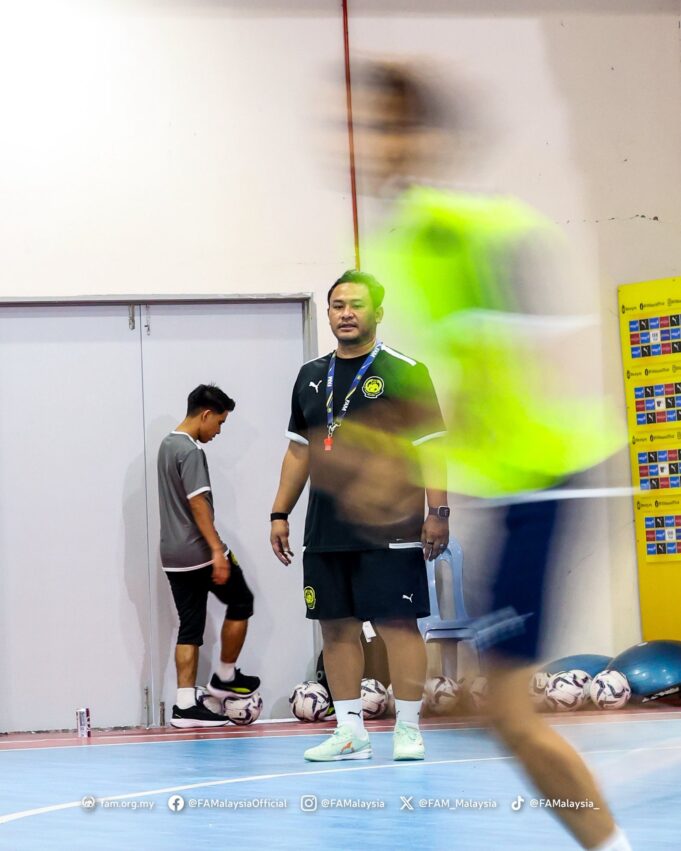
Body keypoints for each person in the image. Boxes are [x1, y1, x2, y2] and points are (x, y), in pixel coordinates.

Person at [328, 59, 630, 851]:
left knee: (507, 713)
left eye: (377, 125)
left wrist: (387, 452)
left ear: (421, 137)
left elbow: (499, 375)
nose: (358, 142)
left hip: (544, 480)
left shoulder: (461, 233)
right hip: (517, 488)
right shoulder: (418, 241)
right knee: (501, 715)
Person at [270, 269, 448, 761]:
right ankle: (350, 731)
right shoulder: (309, 376)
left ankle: (408, 728)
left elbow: (433, 448)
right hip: (326, 529)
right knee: (335, 625)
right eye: (337, 305)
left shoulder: (406, 371)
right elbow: (299, 452)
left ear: (378, 313)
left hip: (389, 527)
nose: (346, 313)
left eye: (356, 305)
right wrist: (279, 512)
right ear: (328, 313)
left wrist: (440, 511)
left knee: (398, 624)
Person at [158, 384, 260, 728]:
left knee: (190, 627)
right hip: (199, 552)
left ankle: (184, 705)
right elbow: (198, 503)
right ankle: (225, 677)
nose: (217, 431)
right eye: (219, 422)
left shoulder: (166, 445)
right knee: (242, 600)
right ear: (205, 414)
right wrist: (217, 551)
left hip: (171, 555)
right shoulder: (190, 451)